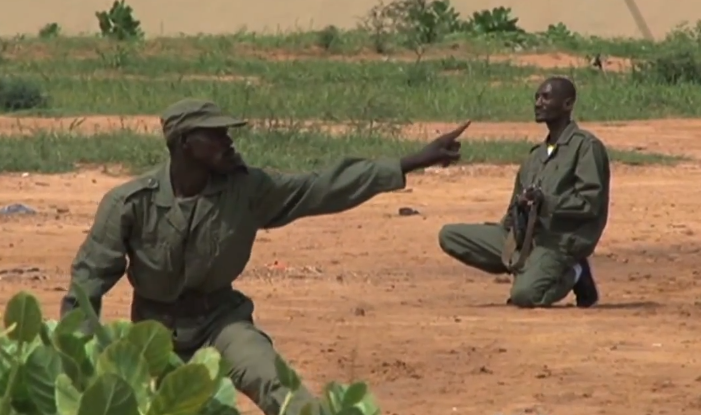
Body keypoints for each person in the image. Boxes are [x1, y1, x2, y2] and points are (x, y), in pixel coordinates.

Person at [60, 98, 472, 415]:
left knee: (278, 386)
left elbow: (322, 187)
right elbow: (88, 281)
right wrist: (73, 358)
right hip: (152, 332)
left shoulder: (248, 190)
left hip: (221, 322)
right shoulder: (130, 203)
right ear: (185, 142)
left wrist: (412, 161)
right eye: (215, 134)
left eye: (227, 133)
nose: (228, 140)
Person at [438, 76, 610, 309]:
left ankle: (575, 272)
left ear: (567, 104)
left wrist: (547, 203)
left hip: (558, 242)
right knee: (450, 236)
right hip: (525, 238)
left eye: (546, 97)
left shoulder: (585, 147)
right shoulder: (535, 156)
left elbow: (591, 203)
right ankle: (531, 267)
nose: (538, 103)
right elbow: (513, 208)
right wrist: (512, 227)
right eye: (536, 97)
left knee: (525, 296)